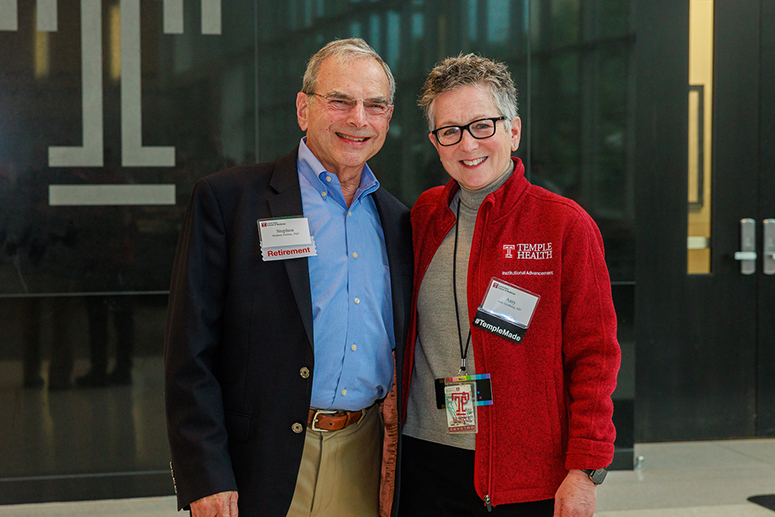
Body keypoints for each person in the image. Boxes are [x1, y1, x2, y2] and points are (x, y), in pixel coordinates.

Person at [164, 38, 412, 517]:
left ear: (388, 116)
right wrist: (205, 472)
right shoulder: (230, 201)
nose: (358, 119)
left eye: (375, 105)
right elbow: (188, 354)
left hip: (364, 457)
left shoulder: (398, 222)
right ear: (303, 108)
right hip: (260, 462)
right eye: (340, 100)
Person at [399, 54, 620, 516]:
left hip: (526, 474)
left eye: (482, 125)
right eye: (450, 131)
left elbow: (595, 356)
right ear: (435, 143)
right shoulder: (423, 217)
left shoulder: (563, 225)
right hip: (424, 460)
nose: (467, 144)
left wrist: (585, 469)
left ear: (513, 130)